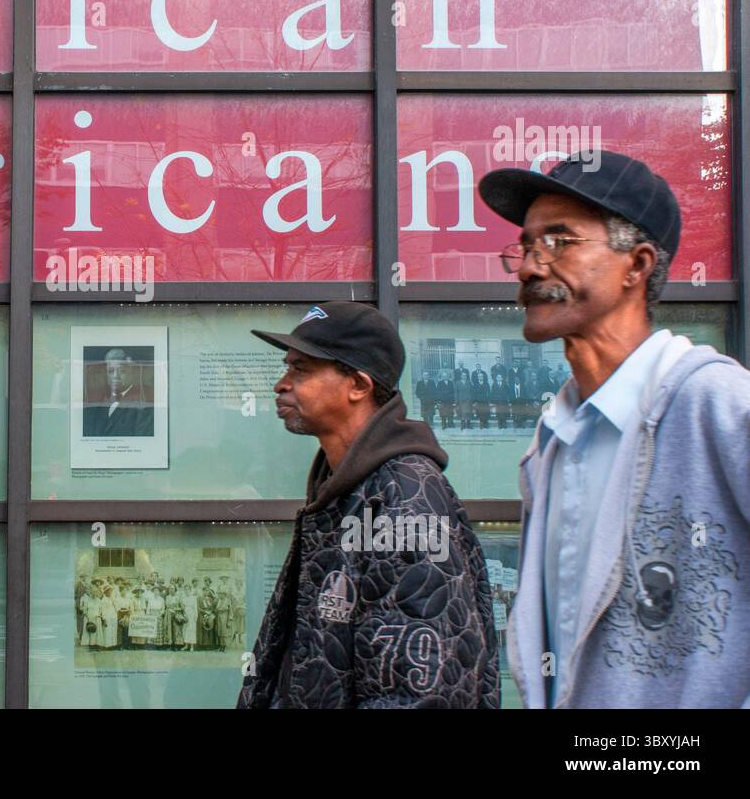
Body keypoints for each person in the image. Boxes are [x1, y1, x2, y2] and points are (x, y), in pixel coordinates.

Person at [479, 150, 750, 708]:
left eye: (560, 241)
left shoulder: (713, 402)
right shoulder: (553, 442)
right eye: (526, 247)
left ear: (638, 265)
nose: (531, 267)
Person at [238, 302, 499, 708]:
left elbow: (419, 693)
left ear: (358, 386)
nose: (281, 384)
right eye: (287, 368)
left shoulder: (405, 497)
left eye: (300, 369)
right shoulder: (343, 486)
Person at [82, 348, 154, 437]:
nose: (115, 376)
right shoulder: (100, 403)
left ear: (131, 371)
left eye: (122, 371)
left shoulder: (143, 405)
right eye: (111, 371)